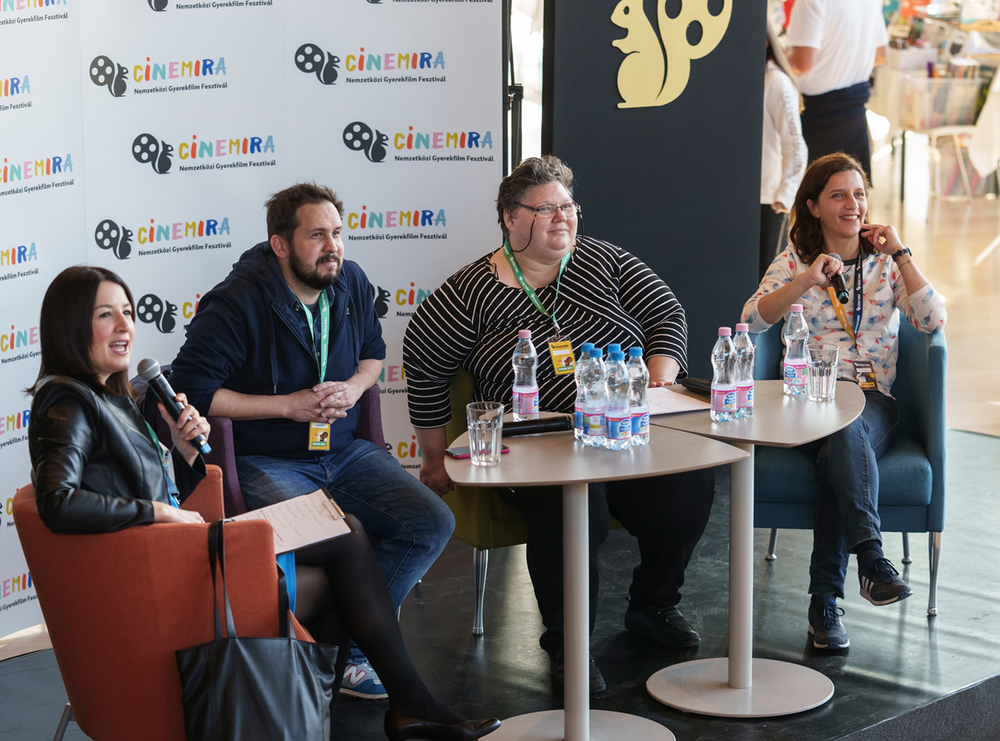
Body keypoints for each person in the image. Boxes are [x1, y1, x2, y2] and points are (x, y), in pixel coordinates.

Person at [27, 265, 499, 741]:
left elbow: (151, 486)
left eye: (128, 312)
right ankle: (404, 706)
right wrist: (160, 513)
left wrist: (183, 449)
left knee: (343, 544)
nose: (125, 325)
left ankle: (341, 713)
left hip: (179, 553)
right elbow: (57, 502)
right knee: (347, 539)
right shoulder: (65, 402)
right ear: (70, 325)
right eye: (106, 314)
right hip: (166, 575)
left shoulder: (110, 395)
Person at [402, 156, 715, 695]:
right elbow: (425, 362)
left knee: (689, 488)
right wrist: (433, 459)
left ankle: (653, 604)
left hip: (622, 435)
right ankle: (568, 645)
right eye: (543, 209)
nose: (560, 219)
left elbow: (665, 313)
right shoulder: (472, 290)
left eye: (566, 206)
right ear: (508, 218)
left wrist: (660, 382)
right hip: (533, 448)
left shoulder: (605, 263)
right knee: (575, 508)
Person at [168, 183, 455, 698]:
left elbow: (373, 355)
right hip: (269, 460)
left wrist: (353, 386)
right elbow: (193, 392)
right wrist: (287, 405)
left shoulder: (350, 281)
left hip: (344, 454)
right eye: (317, 235)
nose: (333, 247)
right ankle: (351, 659)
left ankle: (350, 654)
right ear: (280, 244)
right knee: (344, 537)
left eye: (338, 233)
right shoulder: (238, 301)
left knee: (431, 522)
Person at [741, 153, 947, 650]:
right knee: (838, 444)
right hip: (807, 400)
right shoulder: (795, 259)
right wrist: (806, 280)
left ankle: (827, 603)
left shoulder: (884, 264)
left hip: (873, 401)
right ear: (812, 206)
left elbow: (932, 320)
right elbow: (752, 319)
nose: (852, 204)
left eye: (858, 194)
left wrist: (901, 253)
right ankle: (870, 563)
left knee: (846, 431)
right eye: (838, 195)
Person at [784, 0, 888, 182]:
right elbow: (881, 55)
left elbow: (802, 63)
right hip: (855, 117)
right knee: (851, 203)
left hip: (819, 121)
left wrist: (773, 60)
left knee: (816, 202)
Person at [760, 22, 808, 281]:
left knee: (768, 280)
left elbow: (796, 145)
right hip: (750, 198)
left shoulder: (776, 81)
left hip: (771, 201)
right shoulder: (750, 78)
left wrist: (785, 195)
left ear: (766, 41)